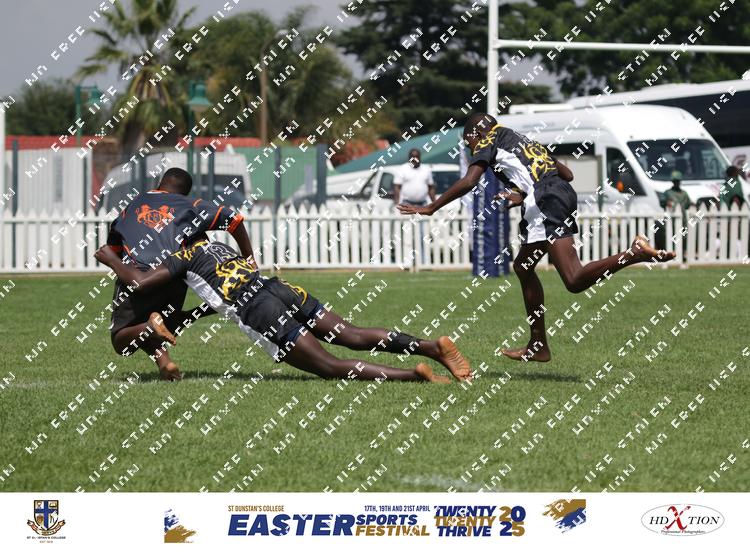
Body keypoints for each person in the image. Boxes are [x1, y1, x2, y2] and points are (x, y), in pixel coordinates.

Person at [399, 112, 675, 362]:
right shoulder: (522, 139)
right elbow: (567, 173)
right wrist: (522, 194)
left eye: (468, 143)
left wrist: (431, 207)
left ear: (476, 133)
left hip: (545, 200)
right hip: (558, 195)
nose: (471, 149)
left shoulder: (487, 139)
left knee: (574, 280)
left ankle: (633, 253)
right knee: (523, 266)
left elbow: (470, 180)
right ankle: (538, 345)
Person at [94, 239, 471, 384]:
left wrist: (111, 259)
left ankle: (414, 376)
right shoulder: (220, 246)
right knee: (352, 334)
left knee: (328, 366)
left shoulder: (184, 256)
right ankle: (431, 347)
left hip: (258, 308)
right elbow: (218, 292)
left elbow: (140, 282)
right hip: (280, 288)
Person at [106, 167, 254, 381]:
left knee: (121, 340)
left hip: (137, 273)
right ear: (185, 192)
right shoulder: (190, 205)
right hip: (172, 274)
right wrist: (249, 259)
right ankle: (165, 363)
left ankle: (151, 326)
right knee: (160, 325)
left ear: (159, 184)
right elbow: (234, 220)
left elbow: (114, 248)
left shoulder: (133, 205)